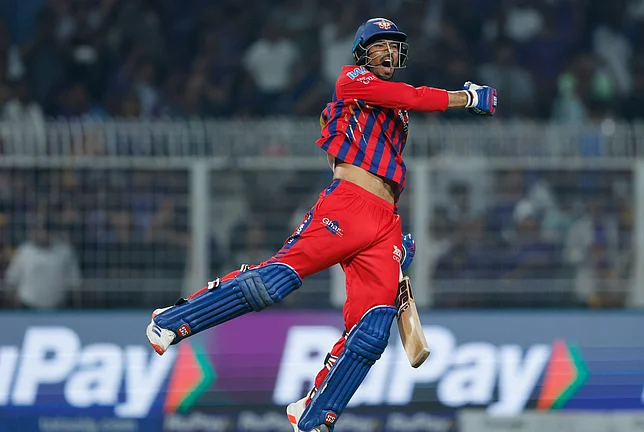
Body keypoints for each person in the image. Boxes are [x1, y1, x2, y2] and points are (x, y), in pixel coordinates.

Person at [145, 17, 496, 432]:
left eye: (393, 46)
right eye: (379, 45)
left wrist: (396, 242)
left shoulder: (397, 112)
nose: (387, 52)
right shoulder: (352, 80)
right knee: (273, 283)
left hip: (384, 220)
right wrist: (466, 97)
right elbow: (414, 96)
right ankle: (171, 320)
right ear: (362, 53)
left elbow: (392, 156)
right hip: (347, 205)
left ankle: (314, 413)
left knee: (372, 332)